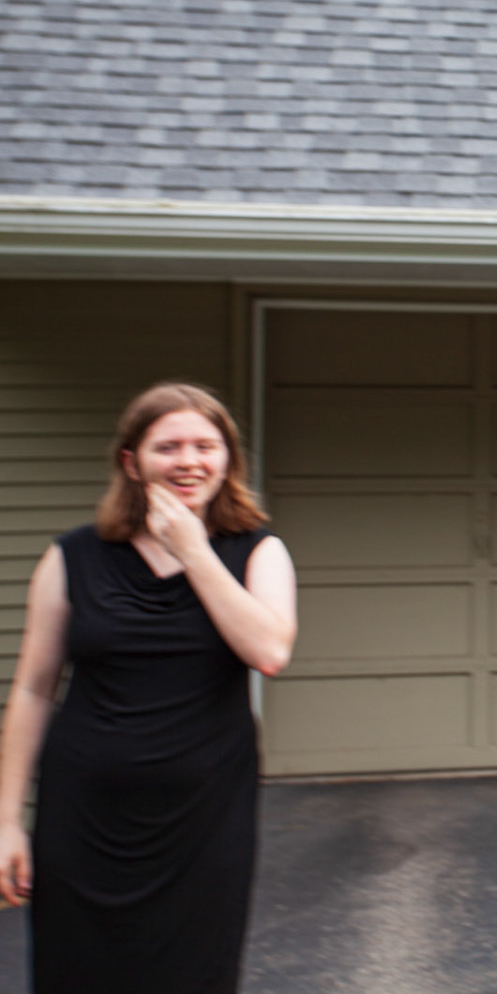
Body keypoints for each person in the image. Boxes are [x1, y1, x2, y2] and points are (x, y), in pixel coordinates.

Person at [0, 382, 297, 994]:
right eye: (168, 447)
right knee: (76, 969)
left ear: (227, 460)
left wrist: (193, 550)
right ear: (132, 463)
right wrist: (5, 821)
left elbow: (268, 652)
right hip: (83, 813)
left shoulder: (258, 552)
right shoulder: (73, 556)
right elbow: (32, 689)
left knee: (193, 969)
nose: (189, 461)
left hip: (203, 814)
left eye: (205, 446)